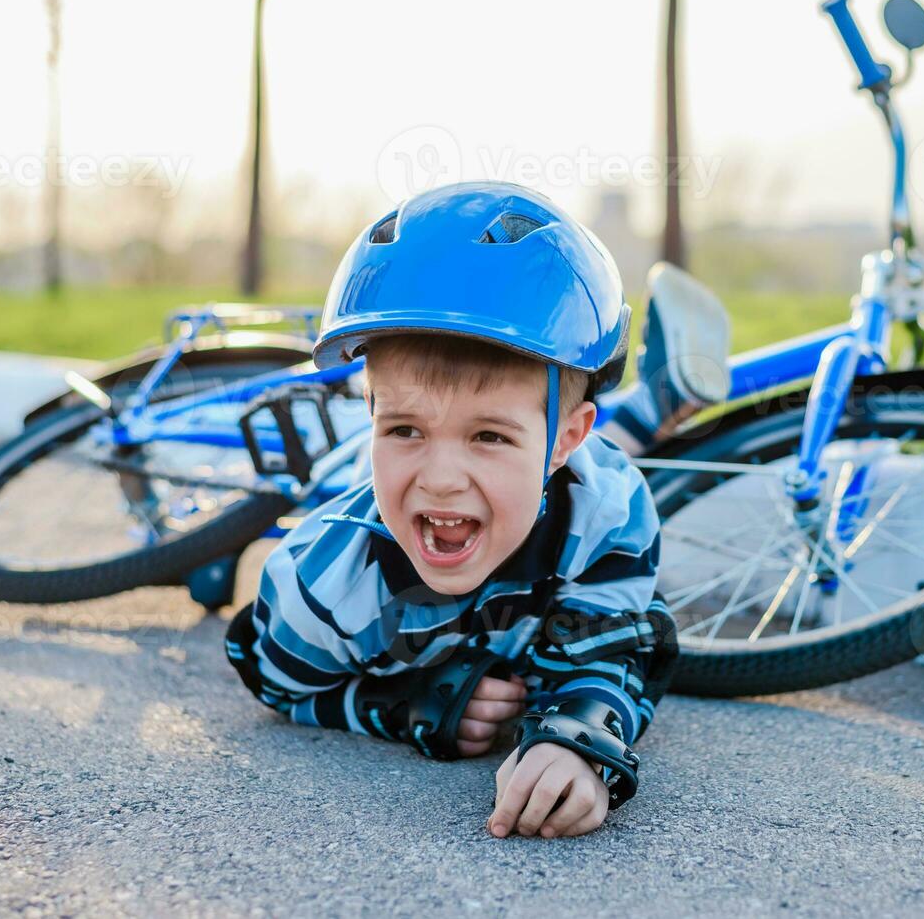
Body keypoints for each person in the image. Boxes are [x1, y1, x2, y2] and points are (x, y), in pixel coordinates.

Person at [225, 181, 727, 838]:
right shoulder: (324, 586)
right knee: (514, 485)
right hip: (370, 514)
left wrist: (575, 738)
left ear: (568, 438)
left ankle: (640, 410)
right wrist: (403, 704)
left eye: (488, 436)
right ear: (370, 414)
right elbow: (273, 679)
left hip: (569, 472)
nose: (438, 481)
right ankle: (646, 406)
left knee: (579, 493)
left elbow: (612, 645)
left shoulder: (609, 513)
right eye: (403, 429)